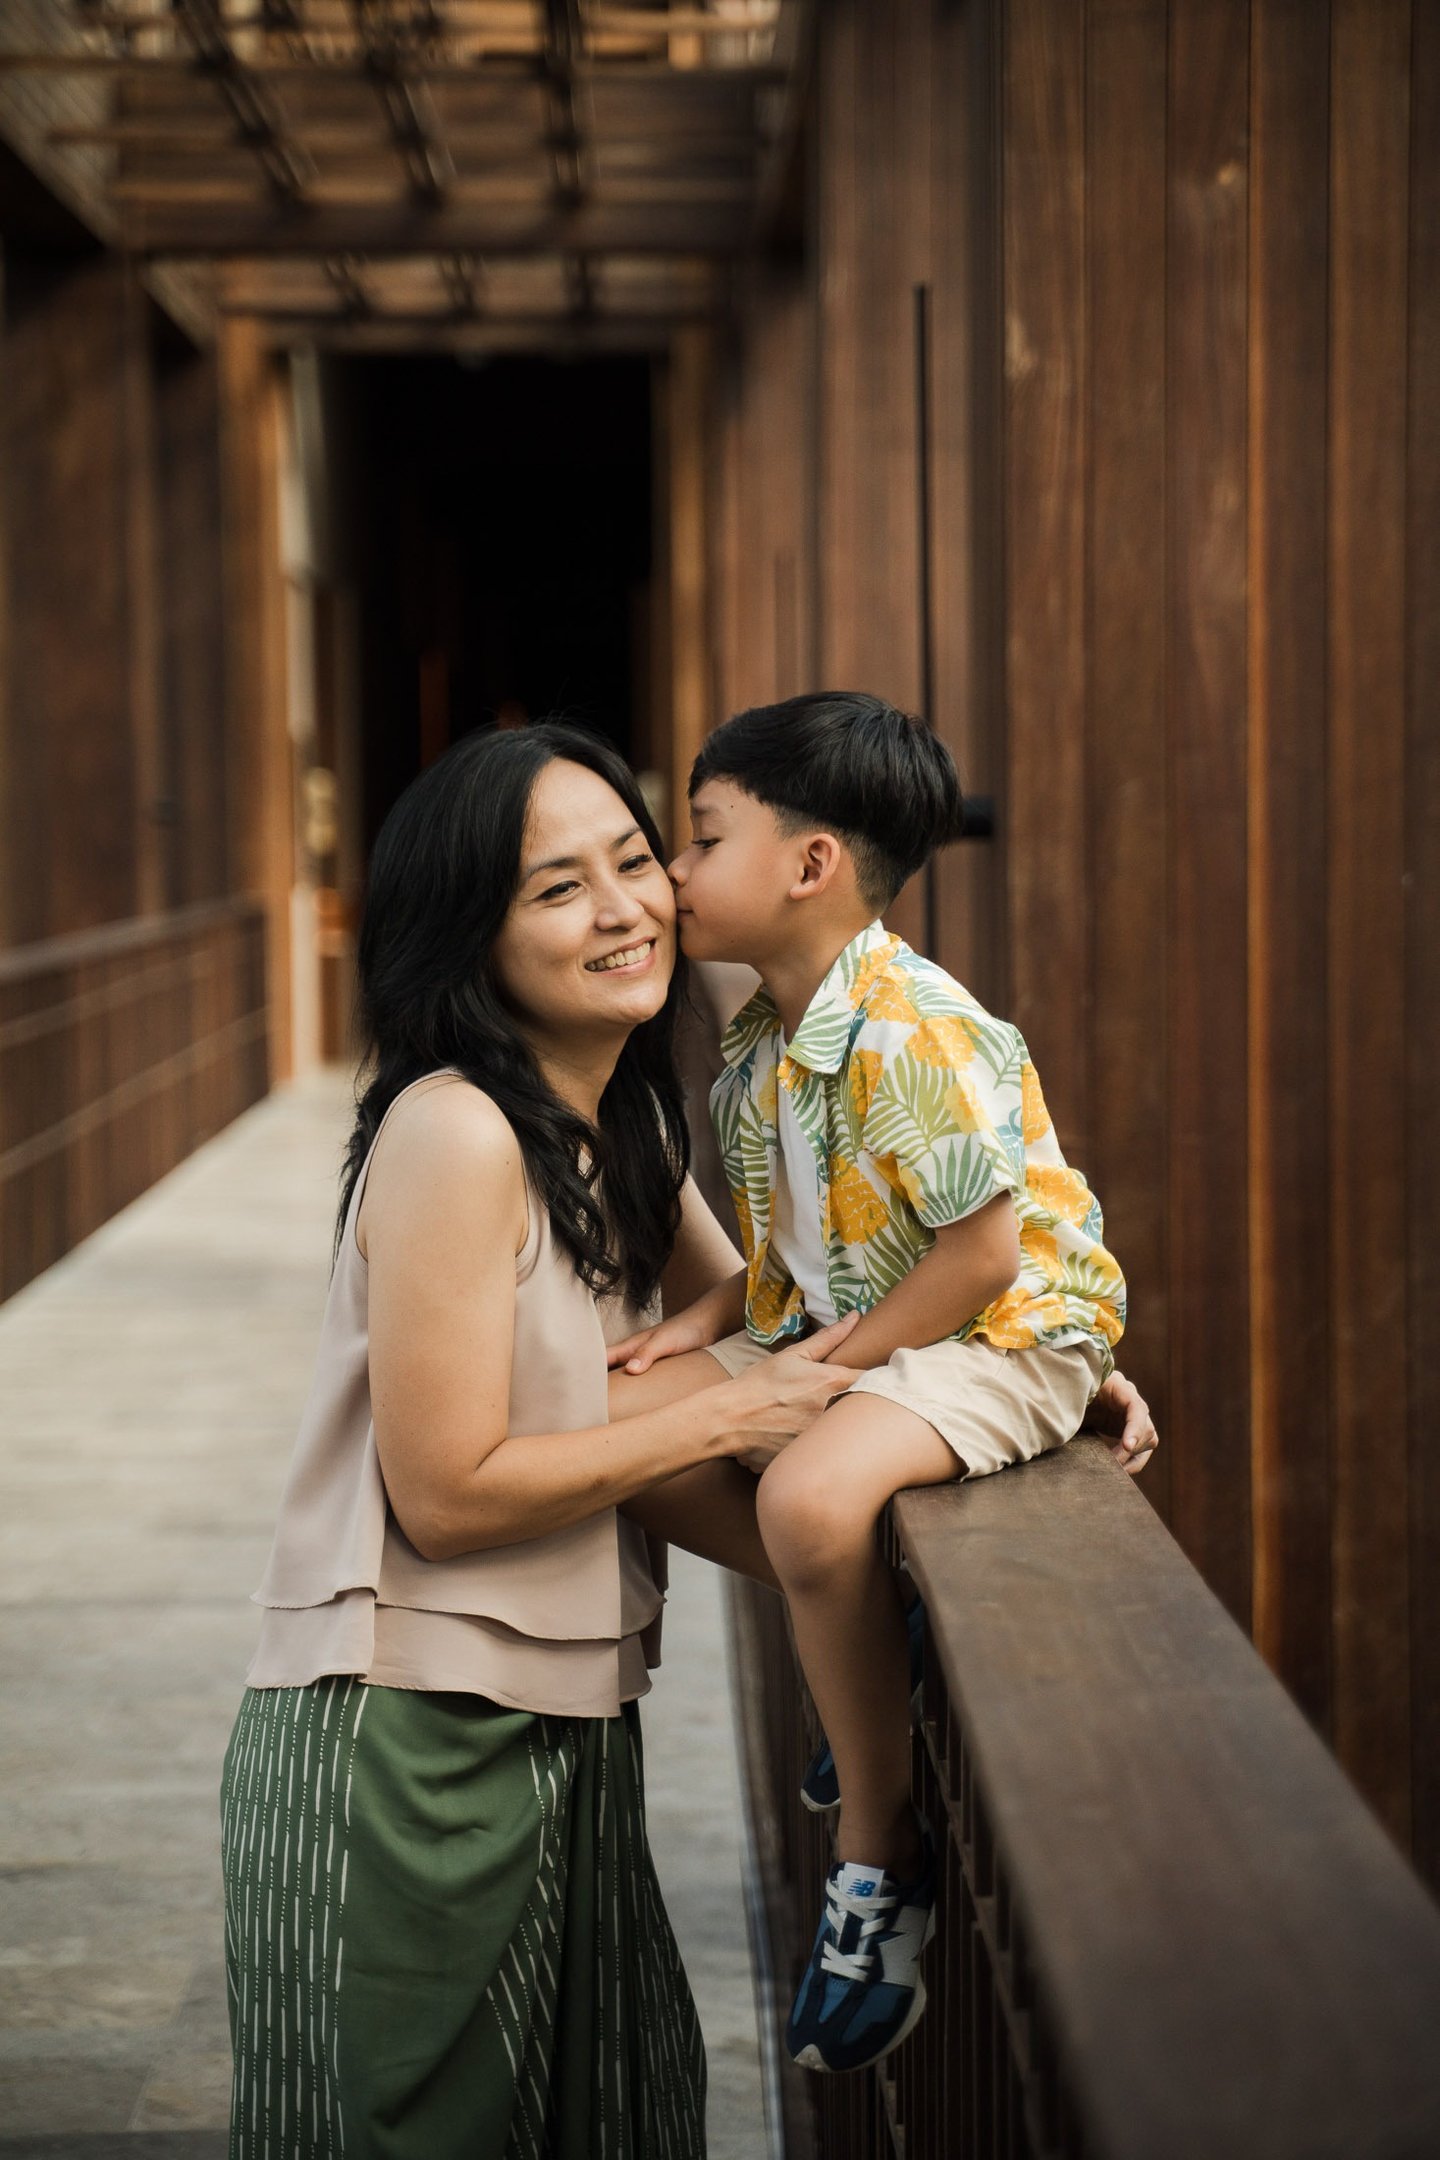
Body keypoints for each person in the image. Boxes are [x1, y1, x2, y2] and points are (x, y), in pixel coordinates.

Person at [219, 720, 863, 2160]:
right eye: (556, 888)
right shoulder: (458, 1134)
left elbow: (753, 1313)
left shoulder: (619, 1124)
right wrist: (727, 1405)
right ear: (470, 939)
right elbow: (448, 1493)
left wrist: (1029, 1376)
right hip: (407, 1741)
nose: (625, 906)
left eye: (635, 860)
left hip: (569, 1731)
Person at [605, 691, 1150, 2077]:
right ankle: (869, 1631)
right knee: (620, 1435)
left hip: (1004, 1331)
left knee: (804, 1494)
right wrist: (704, 1327)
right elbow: (822, 1235)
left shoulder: (911, 1025)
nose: (671, 873)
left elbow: (979, 1254)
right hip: (874, 1323)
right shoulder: (763, 1041)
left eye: (699, 838)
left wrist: (824, 1382)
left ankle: (878, 1853)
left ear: (809, 866)